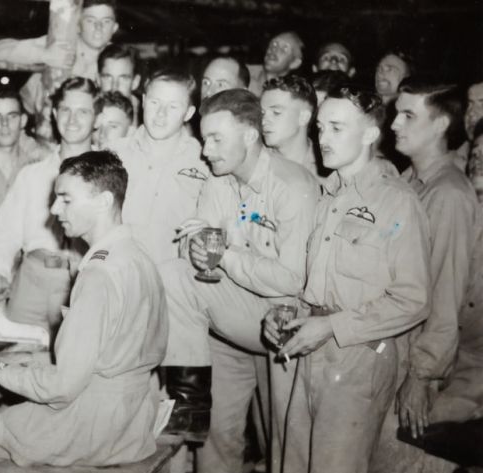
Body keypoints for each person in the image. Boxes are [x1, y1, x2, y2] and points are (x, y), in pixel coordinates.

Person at [0, 151, 168, 472]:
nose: (53, 210)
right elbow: (110, 356)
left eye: (65, 199)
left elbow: (63, 387)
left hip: (88, 426)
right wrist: (5, 361)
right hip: (131, 420)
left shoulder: (97, 275)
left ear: (104, 201)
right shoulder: (136, 255)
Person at [267, 85, 431, 473]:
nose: (323, 139)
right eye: (321, 128)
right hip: (314, 349)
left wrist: (331, 325)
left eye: (337, 129)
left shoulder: (396, 202)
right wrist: (286, 311)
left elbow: (413, 299)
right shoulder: (329, 196)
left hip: (362, 356)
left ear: (371, 134)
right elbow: (319, 283)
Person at [160, 89, 319, 470]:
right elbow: (204, 260)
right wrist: (200, 252)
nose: (205, 150)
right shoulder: (219, 179)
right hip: (232, 316)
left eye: (216, 139)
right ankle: (189, 402)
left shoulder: (293, 186)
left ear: (250, 135)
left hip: (280, 319)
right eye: (203, 139)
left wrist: (226, 256)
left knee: (282, 444)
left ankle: (188, 402)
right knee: (216, 438)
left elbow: (292, 280)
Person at [369, 80, 480, 473]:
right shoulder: (410, 181)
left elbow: (446, 293)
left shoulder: (447, 194)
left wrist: (422, 376)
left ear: (440, 124)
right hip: (396, 356)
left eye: (408, 115)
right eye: (397, 112)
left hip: (425, 370)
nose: (394, 123)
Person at [109, 68, 207, 439]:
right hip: (125, 285)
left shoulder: (203, 158)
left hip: (177, 291)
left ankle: (190, 402)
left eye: (173, 106)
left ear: (188, 113)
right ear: (142, 102)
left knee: (173, 428)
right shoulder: (116, 153)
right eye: (154, 103)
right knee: (126, 407)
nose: (160, 114)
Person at [0, 77, 98, 332]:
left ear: (96, 117)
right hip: (32, 281)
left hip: (83, 282)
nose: (72, 119)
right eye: (66, 110)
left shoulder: (108, 176)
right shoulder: (33, 174)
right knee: (12, 350)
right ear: (55, 114)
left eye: (83, 111)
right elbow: (4, 231)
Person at [0, 85, 50, 278]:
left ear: (23, 120)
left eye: (12, 116)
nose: (5, 124)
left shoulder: (37, 170)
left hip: (28, 282)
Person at [0, 0, 118, 115]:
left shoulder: (117, 58)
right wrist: (44, 55)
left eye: (106, 21)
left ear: (115, 27)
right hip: (29, 118)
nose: (98, 27)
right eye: (90, 20)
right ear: (78, 25)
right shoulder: (64, 43)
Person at [261, 74, 321, 177]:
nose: (263, 121)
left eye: (276, 112)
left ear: (303, 118)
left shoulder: (326, 167)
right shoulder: (254, 163)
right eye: (262, 113)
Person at [248, 31, 305, 96]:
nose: (274, 49)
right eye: (273, 44)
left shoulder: (292, 95)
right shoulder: (242, 73)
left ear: (294, 63)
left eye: (284, 48)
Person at [97, 43, 142, 125]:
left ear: (135, 82)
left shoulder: (147, 122)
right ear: (98, 80)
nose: (114, 87)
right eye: (108, 77)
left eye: (123, 78)